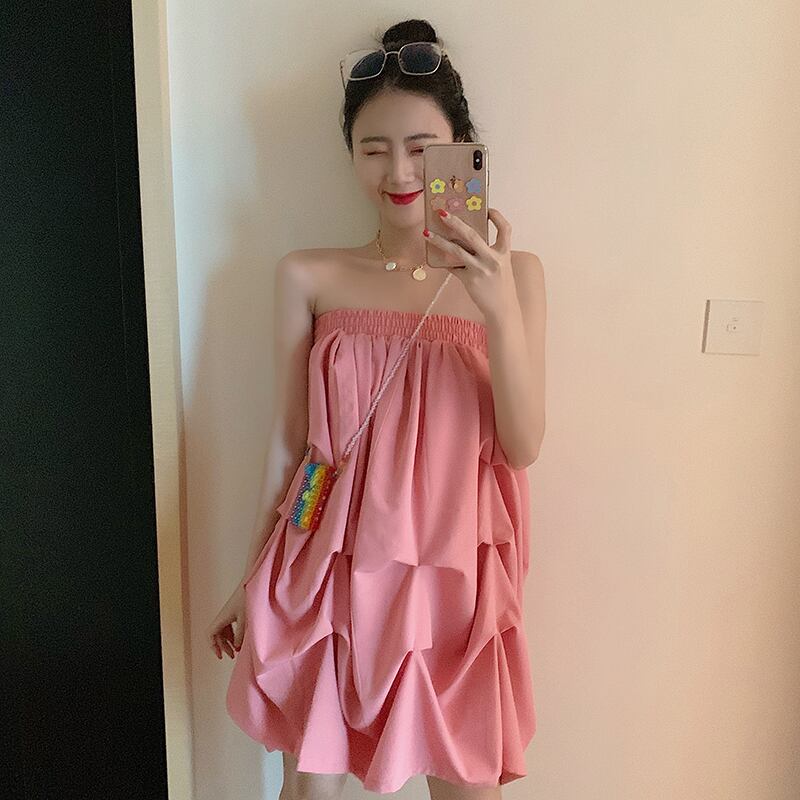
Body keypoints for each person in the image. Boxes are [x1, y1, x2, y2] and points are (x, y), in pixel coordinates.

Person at [207, 17, 547, 800]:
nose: (399, 171)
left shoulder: (516, 276)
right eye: (373, 148)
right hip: (327, 572)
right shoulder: (308, 275)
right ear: (350, 153)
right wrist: (251, 577)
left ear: (463, 152)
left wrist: (497, 309)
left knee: (468, 786)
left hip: (454, 582)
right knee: (311, 790)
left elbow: (523, 446)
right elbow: (292, 445)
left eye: (424, 148)